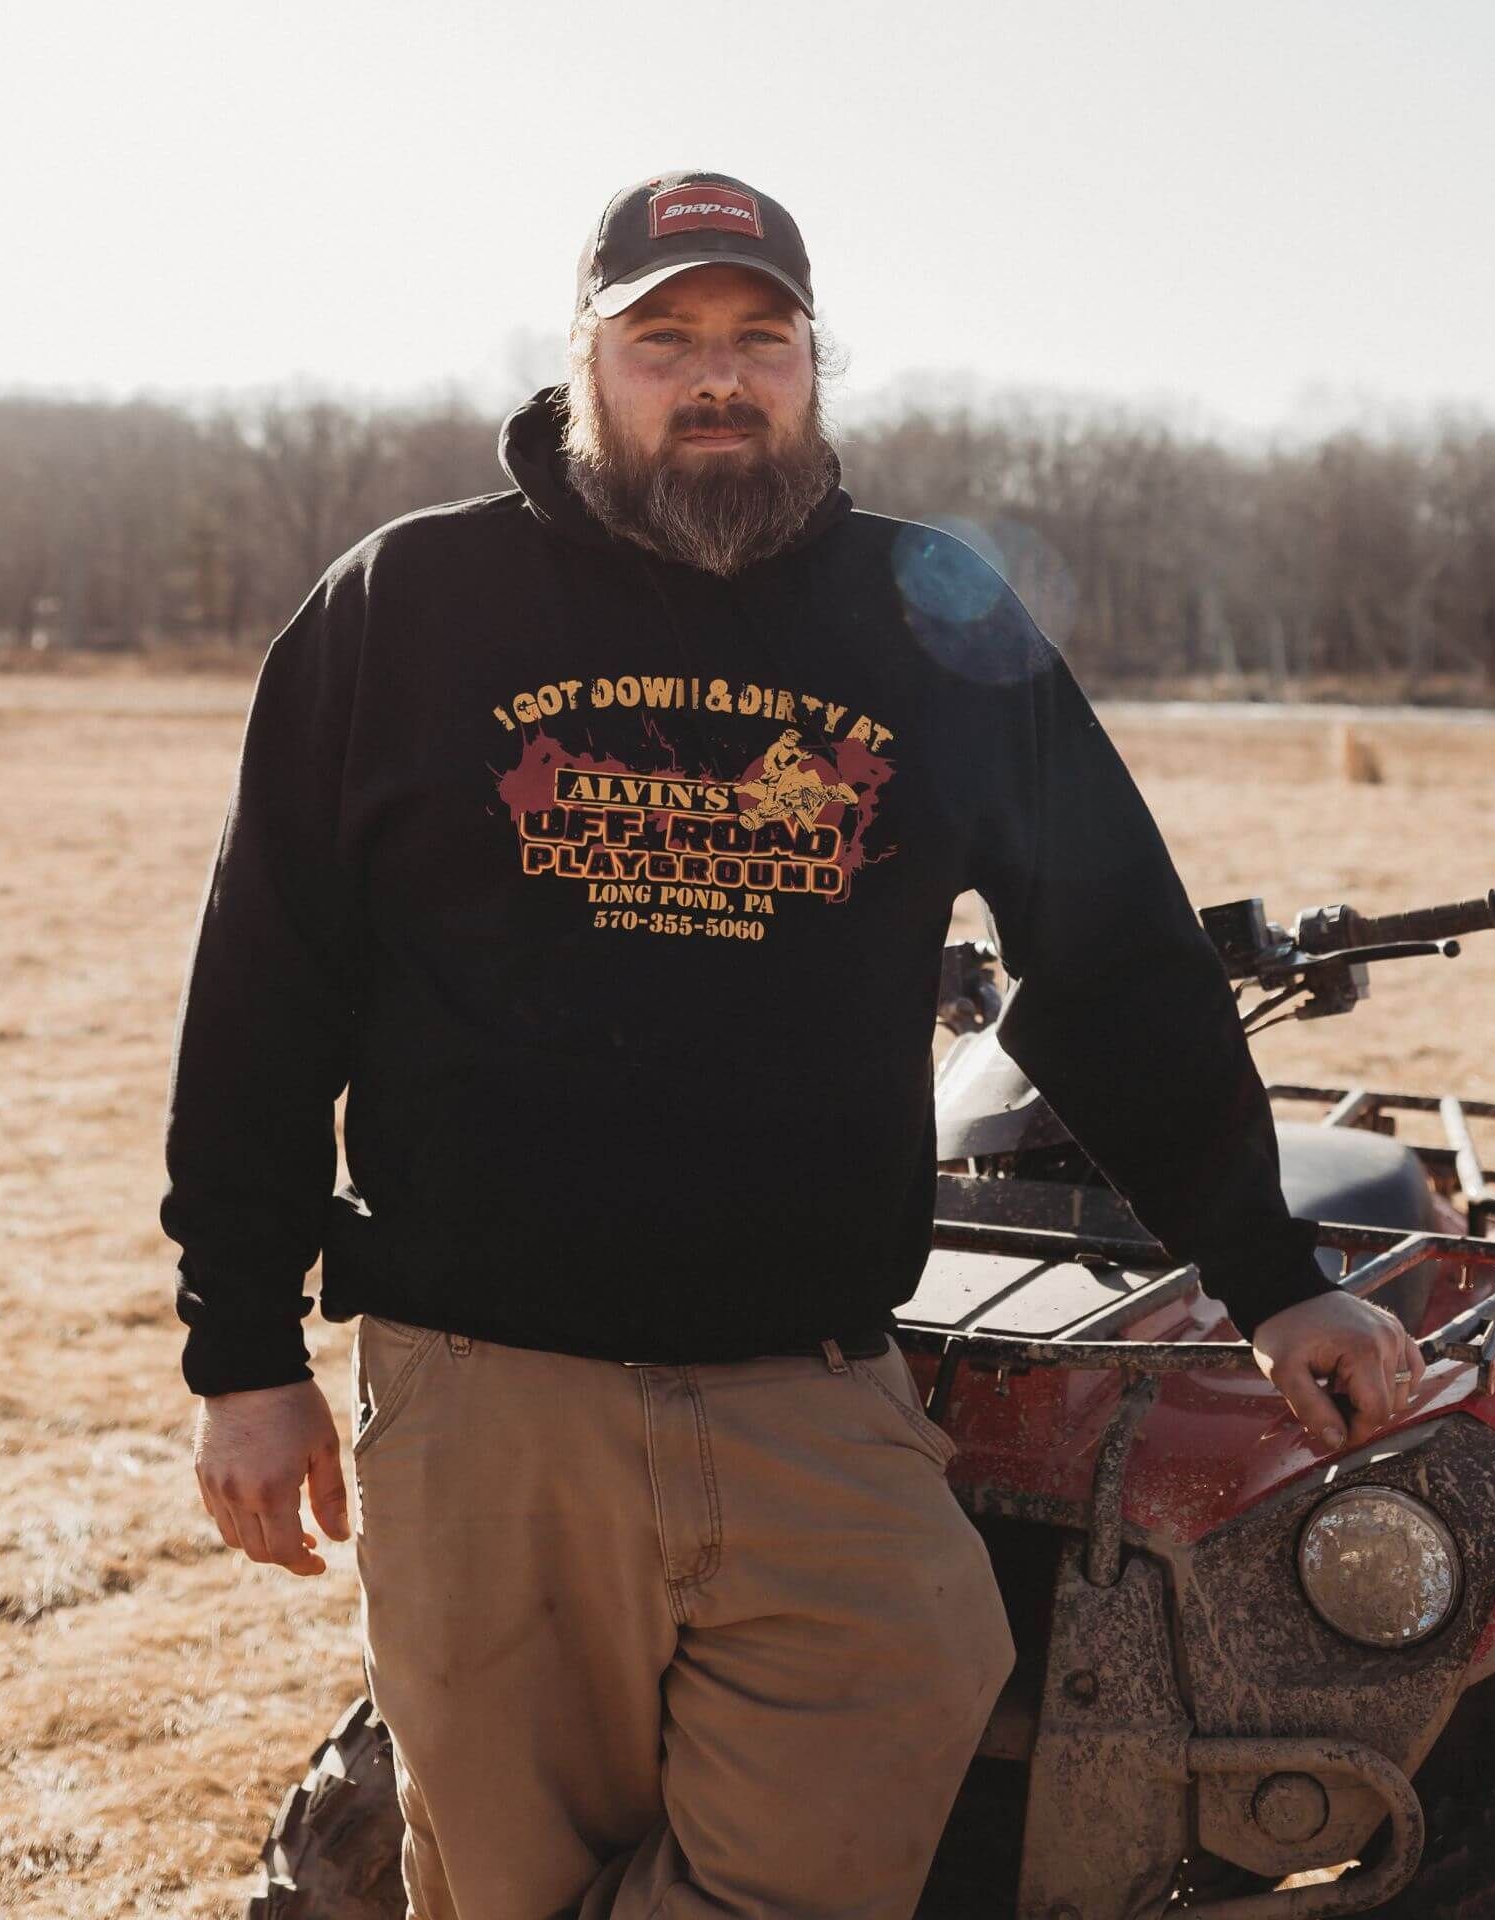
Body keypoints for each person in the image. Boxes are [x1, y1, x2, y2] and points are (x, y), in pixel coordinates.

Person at [162, 169, 1424, 1919]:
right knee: (504, 1877)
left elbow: (1116, 964)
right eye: (665, 337)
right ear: (584, 362)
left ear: (814, 366)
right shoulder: (406, 608)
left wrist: (1276, 1278)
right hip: (485, 1397)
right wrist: (241, 1348)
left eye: (761, 339)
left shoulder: (934, 618)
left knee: (911, 1681)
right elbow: (266, 989)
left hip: (817, 1390)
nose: (717, 378)